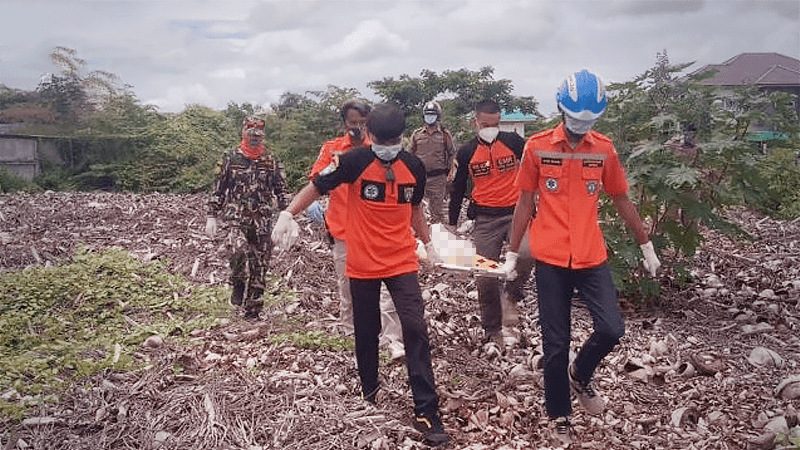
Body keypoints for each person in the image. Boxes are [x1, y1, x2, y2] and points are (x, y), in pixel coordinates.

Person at [272, 104, 450, 447]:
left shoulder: (413, 167)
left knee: (415, 329)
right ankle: (369, 395)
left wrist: (429, 244)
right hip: (363, 263)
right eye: (382, 140)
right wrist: (288, 213)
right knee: (366, 333)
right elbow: (317, 185)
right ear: (372, 136)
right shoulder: (353, 162)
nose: (388, 146)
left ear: (401, 138)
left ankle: (427, 411)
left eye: (393, 141)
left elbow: (414, 209)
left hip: (401, 262)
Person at [502, 69, 662, 445]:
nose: (579, 129)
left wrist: (646, 245)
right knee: (555, 344)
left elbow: (621, 197)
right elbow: (525, 200)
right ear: (560, 110)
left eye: (587, 122)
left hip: (591, 255)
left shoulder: (603, 149)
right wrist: (512, 254)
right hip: (551, 258)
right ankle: (559, 413)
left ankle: (581, 374)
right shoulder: (537, 146)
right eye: (574, 120)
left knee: (612, 329)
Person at [308, 100, 405, 361]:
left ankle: (392, 339)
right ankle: (350, 334)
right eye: (354, 123)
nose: (358, 128)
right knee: (348, 286)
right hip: (343, 228)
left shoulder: (380, 150)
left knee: (388, 286)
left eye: (364, 123)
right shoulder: (332, 150)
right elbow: (317, 179)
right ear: (344, 124)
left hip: (378, 230)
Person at [448, 99, 535, 346]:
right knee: (485, 276)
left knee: (530, 252)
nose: (490, 128)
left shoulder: (515, 143)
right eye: (486, 124)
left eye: (495, 123)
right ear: (476, 122)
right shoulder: (466, 152)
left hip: (516, 212)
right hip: (485, 218)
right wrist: (453, 224)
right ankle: (492, 329)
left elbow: (535, 170)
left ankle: (512, 295)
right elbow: (457, 188)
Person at [205, 116, 291, 320]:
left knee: (259, 266)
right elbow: (219, 189)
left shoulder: (270, 160)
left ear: (263, 135)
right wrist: (211, 215)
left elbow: (281, 191)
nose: (254, 137)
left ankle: (253, 312)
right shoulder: (230, 157)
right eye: (251, 133)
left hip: (262, 221)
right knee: (236, 252)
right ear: (243, 132)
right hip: (236, 218)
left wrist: (288, 217)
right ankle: (237, 283)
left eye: (258, 134)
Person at [409, 101, 455, 224]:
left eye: (433, 114)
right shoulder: (417, 134)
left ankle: (438, 236)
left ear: (438, 116)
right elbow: (410, 154)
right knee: (416, 208)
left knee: (437, 211)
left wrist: (449, 172)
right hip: (419, 177)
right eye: (428, 114)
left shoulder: (444, 134)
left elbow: (451, 153)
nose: (430, 117)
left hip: (438, 178)